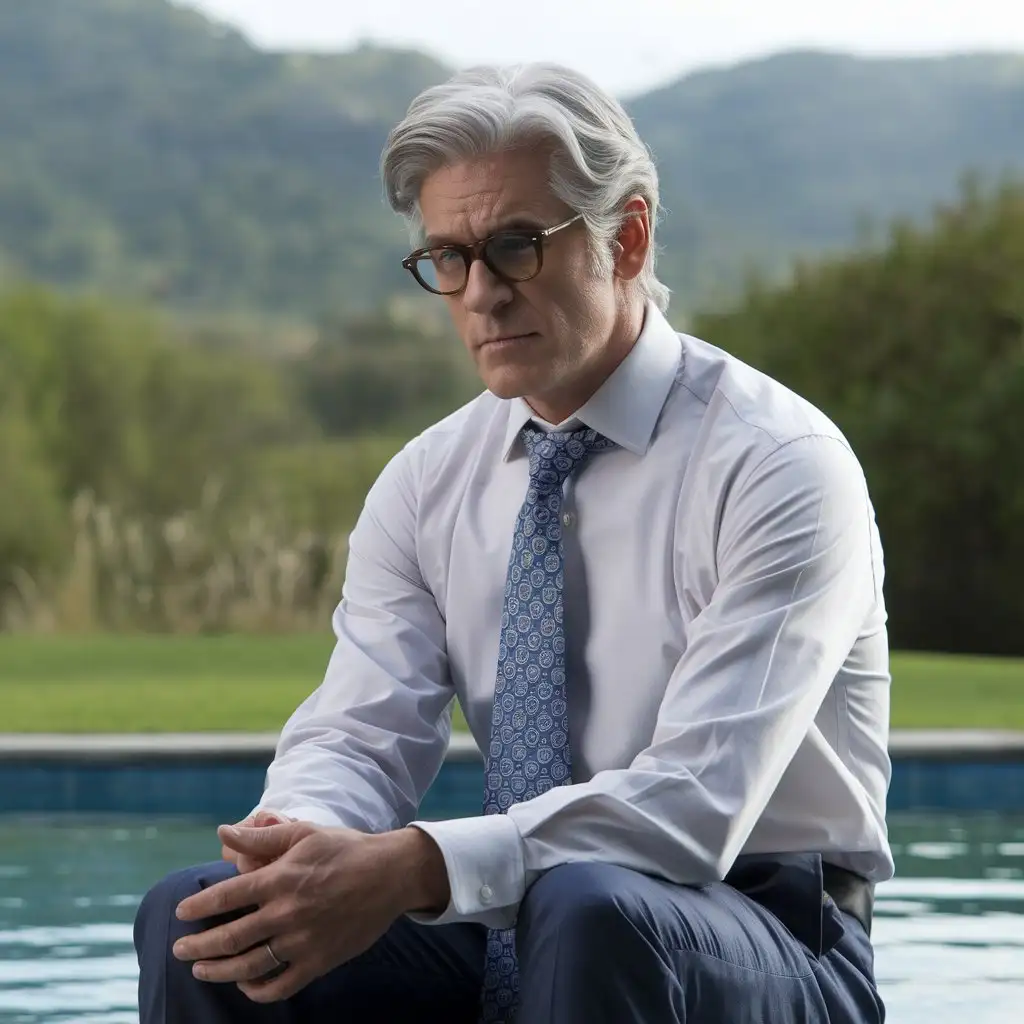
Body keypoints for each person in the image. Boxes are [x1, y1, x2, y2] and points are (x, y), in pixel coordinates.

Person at [134, 62, 892, 1024]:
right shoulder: (428, 480)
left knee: (592, 909)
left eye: (516, 247)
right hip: (523, 911)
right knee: (203, 924)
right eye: (448, 258)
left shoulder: (778, 465)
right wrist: (299, 847)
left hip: (773, 935)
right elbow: (360, 734)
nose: (480, 293)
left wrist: (417, 864)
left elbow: (697, 805)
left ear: (627, 237)